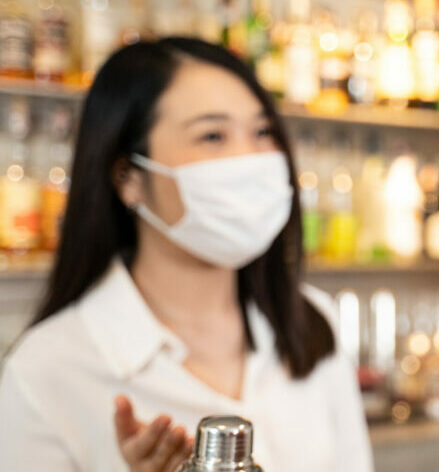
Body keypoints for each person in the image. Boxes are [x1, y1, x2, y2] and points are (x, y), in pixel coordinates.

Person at [0, 38, 373, 471]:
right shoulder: (46, 371)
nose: (250, 159)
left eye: (262, 132)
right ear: (128, 177)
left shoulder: (311, 323)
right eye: (212, 135)